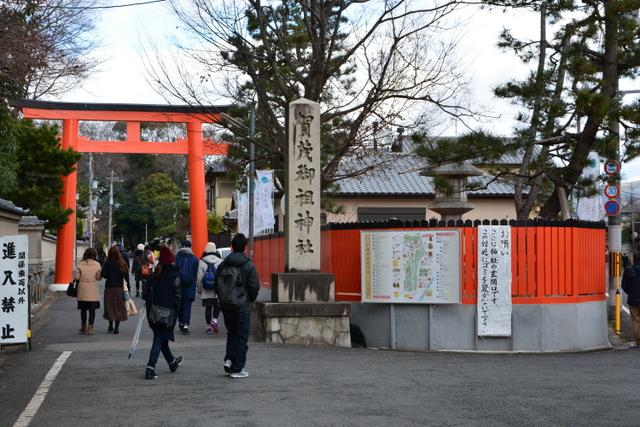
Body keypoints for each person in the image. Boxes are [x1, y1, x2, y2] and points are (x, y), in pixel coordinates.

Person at [217, 233, 259, 378]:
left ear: (232, 246)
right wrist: (249, 299)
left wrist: (223, 298)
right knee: (242, 336)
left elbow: (217, 283)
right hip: (242, 305)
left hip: (226, 305)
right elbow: (254, 286)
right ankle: (237, 368)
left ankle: (229, 360)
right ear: (244, 247)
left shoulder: (224, 264)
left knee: (232, 333)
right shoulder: (248, 265)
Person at [143, 246, 183, 380]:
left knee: (161, 338)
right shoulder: (175, 276)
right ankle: (150, 367)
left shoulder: (154, 275)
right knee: (159, 339)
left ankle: (172, 362)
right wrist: (177, 314)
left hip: (153, 313)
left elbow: (145, 294)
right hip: (167, 314)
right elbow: (177, 298)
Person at [101, 246, 130, 334]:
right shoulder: (122, 262)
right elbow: (126, 275)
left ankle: (110, 326)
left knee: (109, 306)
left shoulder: (107, 262)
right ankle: (117, 328)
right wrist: (128, 287)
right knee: (118, 307)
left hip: (109, 287)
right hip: (119, 288)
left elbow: (104, 274)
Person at [73, 248, 102, 335]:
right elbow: (98, 277)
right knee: (92, 310)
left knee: (83, 309)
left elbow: (77, 277)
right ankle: (90, 328)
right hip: (92, 289)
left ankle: (83, 327)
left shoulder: (80, 264)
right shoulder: (97, 264)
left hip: (82, 289)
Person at [196, 242, 223, 334]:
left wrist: (199, 289)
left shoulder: (202, 261)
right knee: (217, 306)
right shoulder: (220, 261)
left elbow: (199, 277)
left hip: (206, 289)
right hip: (217, 289)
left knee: (208, 308)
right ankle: (214, 322)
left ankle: (208, 326)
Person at [175, 240, 199, 335]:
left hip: (178, 285)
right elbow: (196, 273)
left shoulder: (177, 257)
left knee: (179, 304)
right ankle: (185, 324)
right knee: (187, 305)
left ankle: (180, 321)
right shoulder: (194, 258)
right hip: (190, 285)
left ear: (182, 246)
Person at [621, 256, 640, 345]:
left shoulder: (628, 271)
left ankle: (638, 341)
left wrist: (630, 292)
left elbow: (623, 285)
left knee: (635, 320)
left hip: (632, 300)